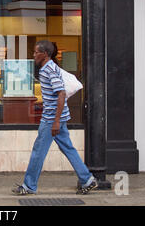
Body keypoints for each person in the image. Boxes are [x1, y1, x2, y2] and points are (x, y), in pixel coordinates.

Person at [12, 40, 97, 195]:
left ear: (45, 54)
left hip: (51, 118)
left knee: (38, 151)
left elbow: (61, 93)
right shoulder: (49, 67)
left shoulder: (48, 70)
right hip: (58, 116)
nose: (34, 55)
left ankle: (29, 186)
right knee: (68, 148)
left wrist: (56, 121)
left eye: (36, 52)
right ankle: (87, 179)